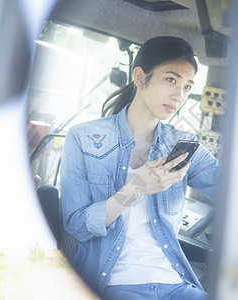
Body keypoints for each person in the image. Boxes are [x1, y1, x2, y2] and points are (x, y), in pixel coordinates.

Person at [60, 36, 219, 300]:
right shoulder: (82, 138)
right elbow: (76, 226)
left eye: (187, 86)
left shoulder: (183, 146)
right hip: (112, 283)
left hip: (175, 282)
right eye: (171, 80)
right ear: (140, 77)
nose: (179, 95)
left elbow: (236, 193)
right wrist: (136, 189)